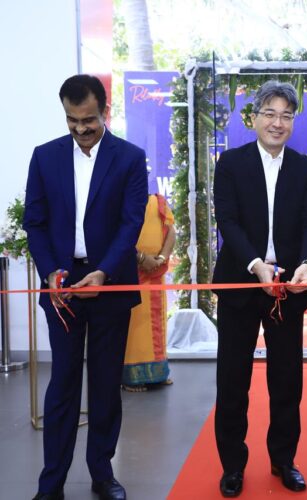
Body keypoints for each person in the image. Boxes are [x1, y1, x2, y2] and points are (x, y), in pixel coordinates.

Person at [23, 74, 148, 500]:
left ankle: (102, 473)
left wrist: (105, 272)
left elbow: (131, 223)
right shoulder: (45, 157)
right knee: (62, 385)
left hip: (109, 285)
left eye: (88, 120)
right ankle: (51, 483)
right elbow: (35, 222)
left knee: (105, 383)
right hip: (62, 287)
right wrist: (50, 273)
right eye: (72, 120)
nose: (81, 129)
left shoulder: (129, 158)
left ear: (104, 111)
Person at [212, 80, 307, 497]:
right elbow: (228, 221)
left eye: (286, 116)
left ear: (293, 122)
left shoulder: (306, 168)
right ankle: (233, 466)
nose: (278, 123)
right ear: (254, 117)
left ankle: (283, 460)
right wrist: (256, 264)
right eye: (270, 114)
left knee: (286, 381)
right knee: (232, 381)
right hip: (241, 284)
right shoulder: (230, 163)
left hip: (288, 289)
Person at [122, 193, 176, 391]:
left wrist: (160, 258)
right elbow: (118, 236)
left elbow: (171, 232)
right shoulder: (120, 199)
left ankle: (157, 374)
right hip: (129, 271)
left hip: (155, 272)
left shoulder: (157, 201)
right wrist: (142, 258)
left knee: (156, 324)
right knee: (134, 326)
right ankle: (130, 377)